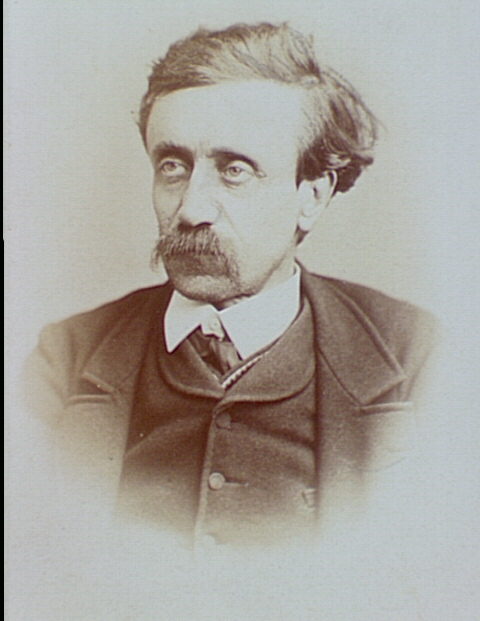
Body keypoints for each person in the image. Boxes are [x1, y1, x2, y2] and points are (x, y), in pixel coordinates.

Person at [29, 22, 436, 547]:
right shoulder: (63, 359)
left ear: (312, 196)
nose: (191, 209)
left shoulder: (416, 356)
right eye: (172, 167)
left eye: (235, 170)